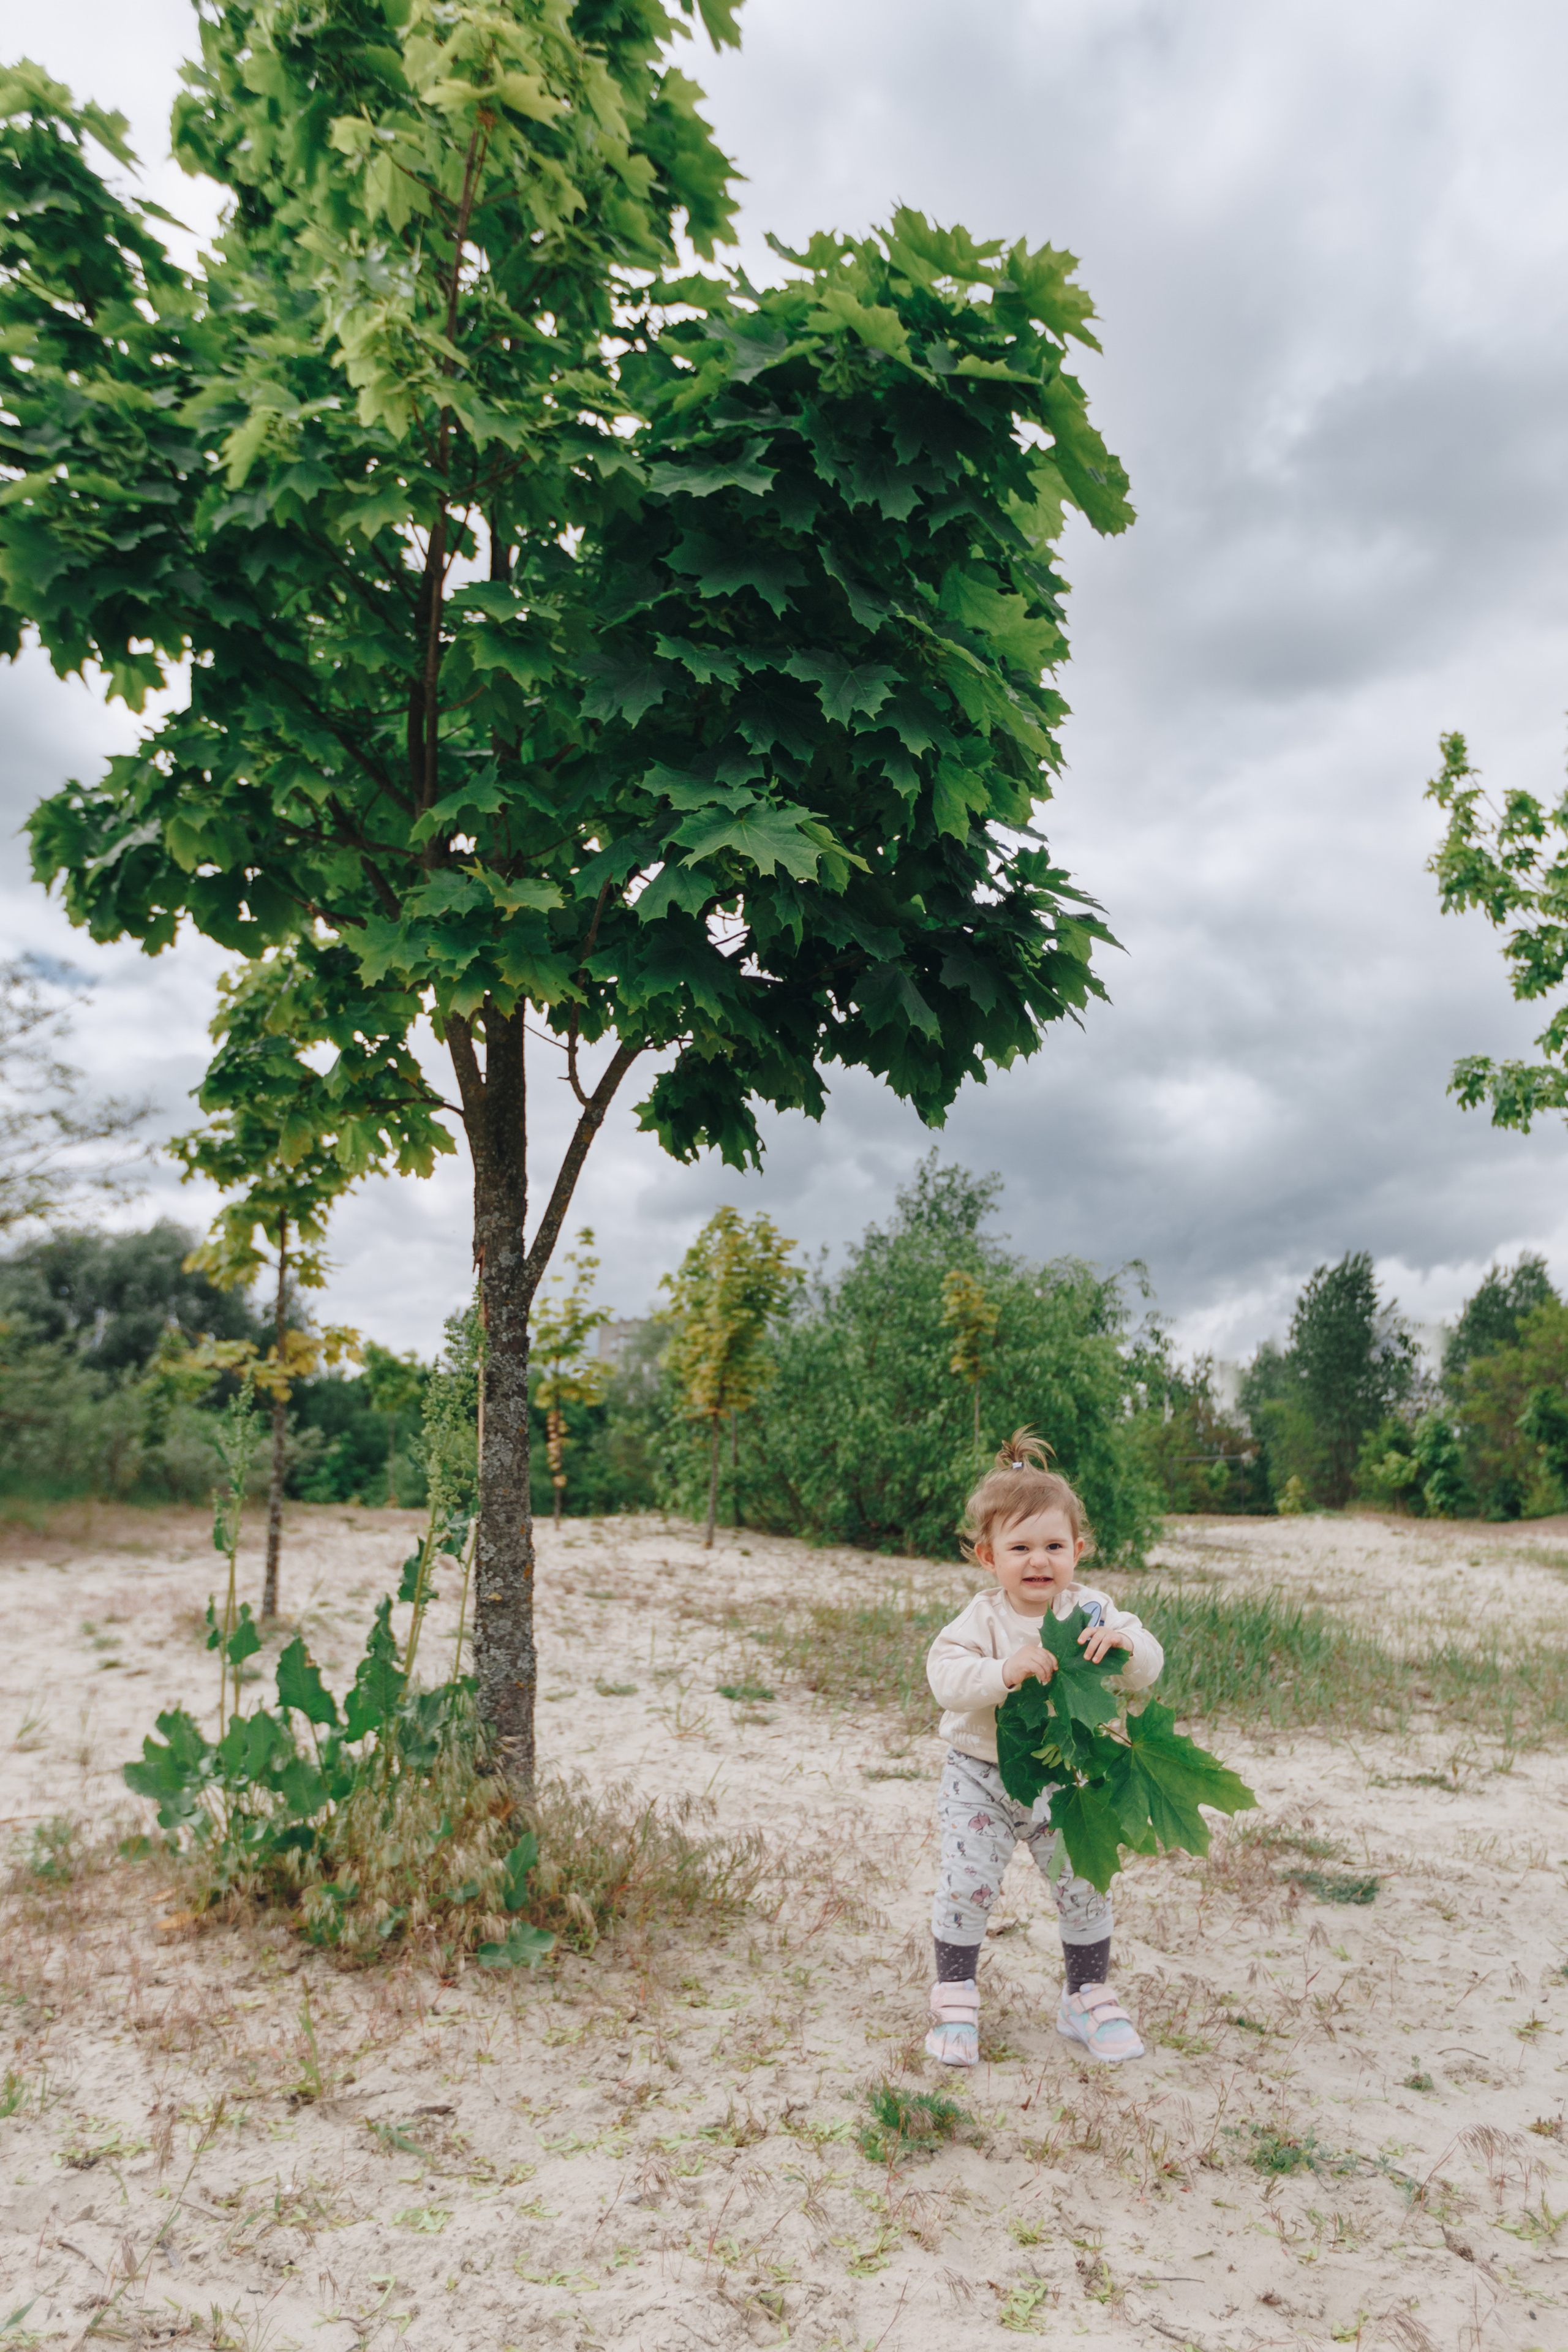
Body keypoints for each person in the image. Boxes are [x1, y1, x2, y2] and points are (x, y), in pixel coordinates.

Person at [923, 1428, 1163, 2068]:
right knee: (967, 1885)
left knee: (1084, 1883)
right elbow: (944, 1678)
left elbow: (1147, 1663)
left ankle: (1084, 1996)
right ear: (986, 1555)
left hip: (1067, 1779)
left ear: (1078, 1550)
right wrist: (1003, 1672)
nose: (1038, 1561)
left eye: (1054, 1546)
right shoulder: (981, 1618)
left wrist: (1123, 1645)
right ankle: (954, 1997)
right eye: (1020, 1547)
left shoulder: (1092, 1610)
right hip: (981, 1776)